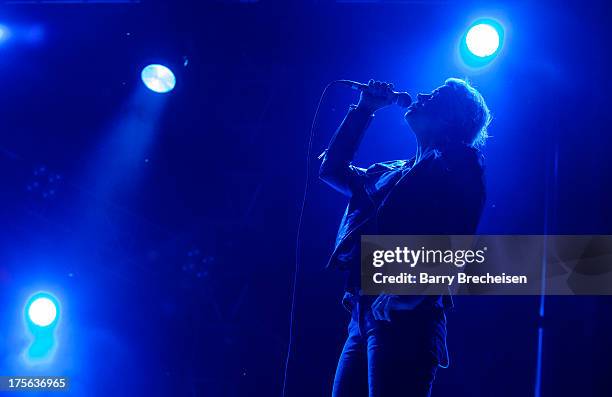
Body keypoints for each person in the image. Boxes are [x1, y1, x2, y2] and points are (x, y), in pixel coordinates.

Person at [319, 78, 490, 397]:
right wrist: (365, 110)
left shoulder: (461, 164)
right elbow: (332, 170)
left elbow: (456, 241)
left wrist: (406, 291)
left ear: (454, 116)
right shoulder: (391, 172)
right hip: (363, 314)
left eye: (436, 95)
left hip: (407, 317)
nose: (422, 94)